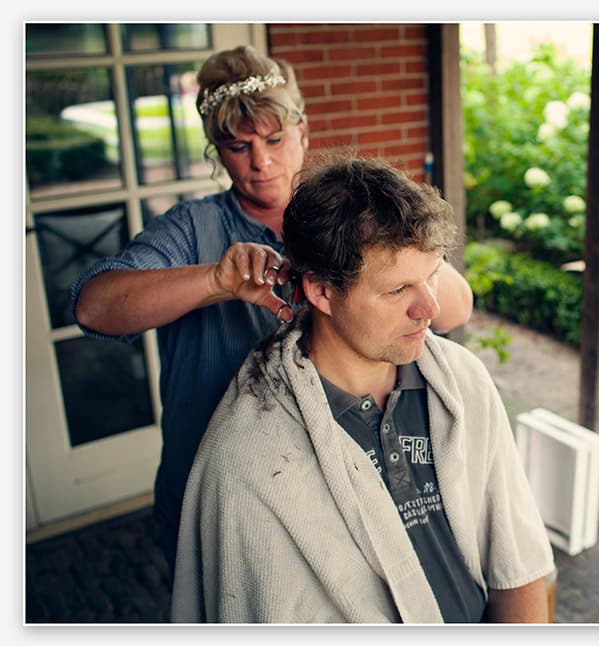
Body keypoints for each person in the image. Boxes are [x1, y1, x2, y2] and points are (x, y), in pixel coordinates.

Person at [69, 46, 474, 578]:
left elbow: (455, 309)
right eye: (239, 146)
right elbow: (94, 308)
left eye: (275, 139)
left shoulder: (354, 218)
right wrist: (216, 280)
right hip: (220, 487)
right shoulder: (193, 229)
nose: (260, 162)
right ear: (216, 150)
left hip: (338, 485)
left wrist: (388, 254)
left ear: (303, 132)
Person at [169, 157, 555, 623]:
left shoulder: (463, 379)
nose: (429, 308)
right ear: (322, 292)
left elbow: (520, 566)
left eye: (432, 275)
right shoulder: (244, 462)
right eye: (397, 291)